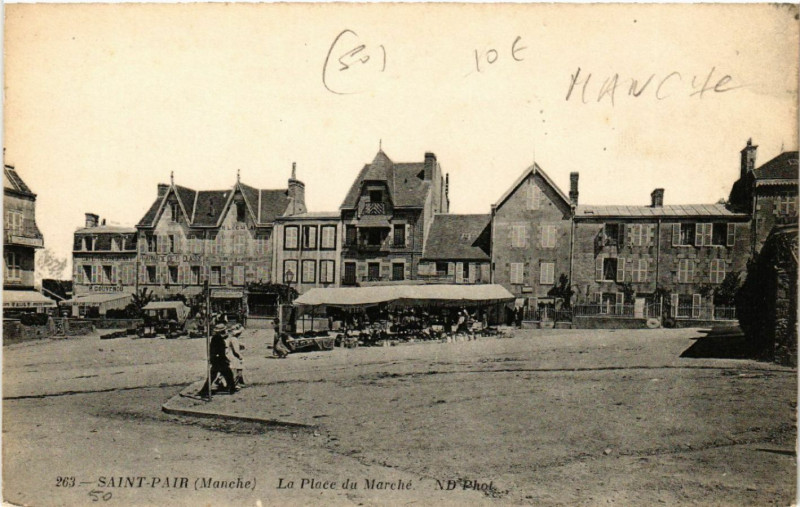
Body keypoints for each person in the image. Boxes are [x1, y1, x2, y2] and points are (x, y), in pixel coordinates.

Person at [198, 324, 237, 396]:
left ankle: (204, 390)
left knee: (214, 375)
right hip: (219, 359)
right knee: (227, 374)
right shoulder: (218, 339)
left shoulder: (216, 338)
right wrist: (225, 359)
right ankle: (232, 388)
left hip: (216, 359)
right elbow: (220, 351)